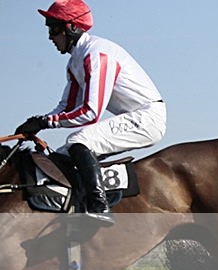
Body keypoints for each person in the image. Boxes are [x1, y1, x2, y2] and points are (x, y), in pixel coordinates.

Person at [15, 0, 167, 226]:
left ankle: (100, 206)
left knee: (79, 140)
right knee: (61, 156)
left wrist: (46, 122)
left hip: (147, 118)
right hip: (135, 116)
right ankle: (76, 206)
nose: (50, 36)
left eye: (54, 28)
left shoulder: (96, 55)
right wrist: (37, 122)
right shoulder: (76, 60)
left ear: (72, 28)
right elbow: (66, 106)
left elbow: (90, 113)